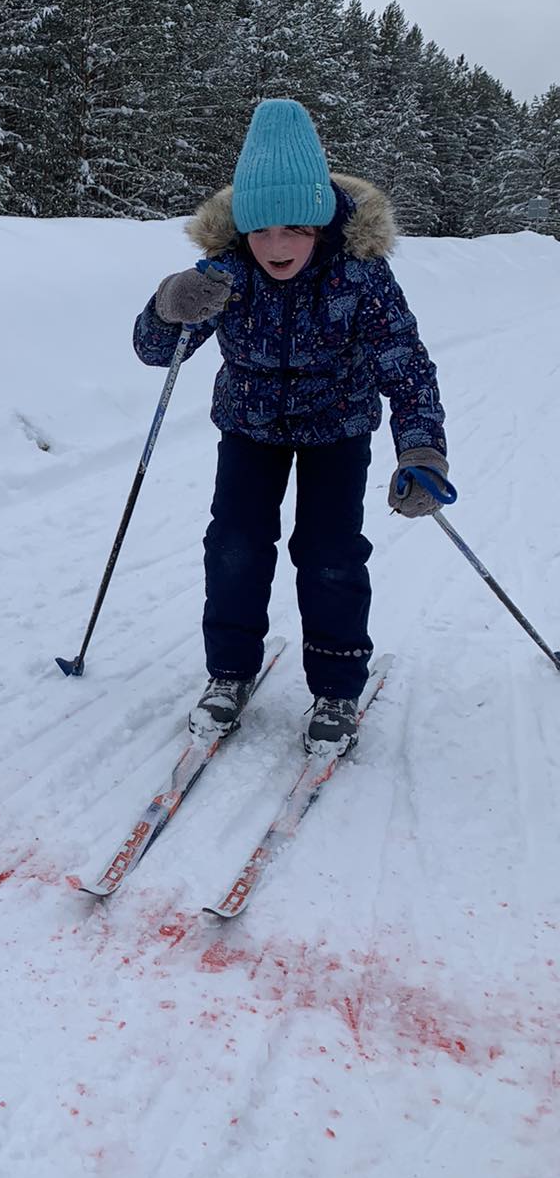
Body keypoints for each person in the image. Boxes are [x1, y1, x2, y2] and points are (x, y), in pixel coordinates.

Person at [134, 98, 449, 752]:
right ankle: (229, 674)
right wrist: (170, 306)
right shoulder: (227, 270)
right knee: (235, 546)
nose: (277, 246)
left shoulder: (360, 271)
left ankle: (336, 685)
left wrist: (421, 448)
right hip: (249, 427)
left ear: (321, 222)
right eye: (262, 230)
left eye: (295, 229)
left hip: (338, 428)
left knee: (329, 553)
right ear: (241, 228)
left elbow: (404, 360)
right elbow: (157, 352)